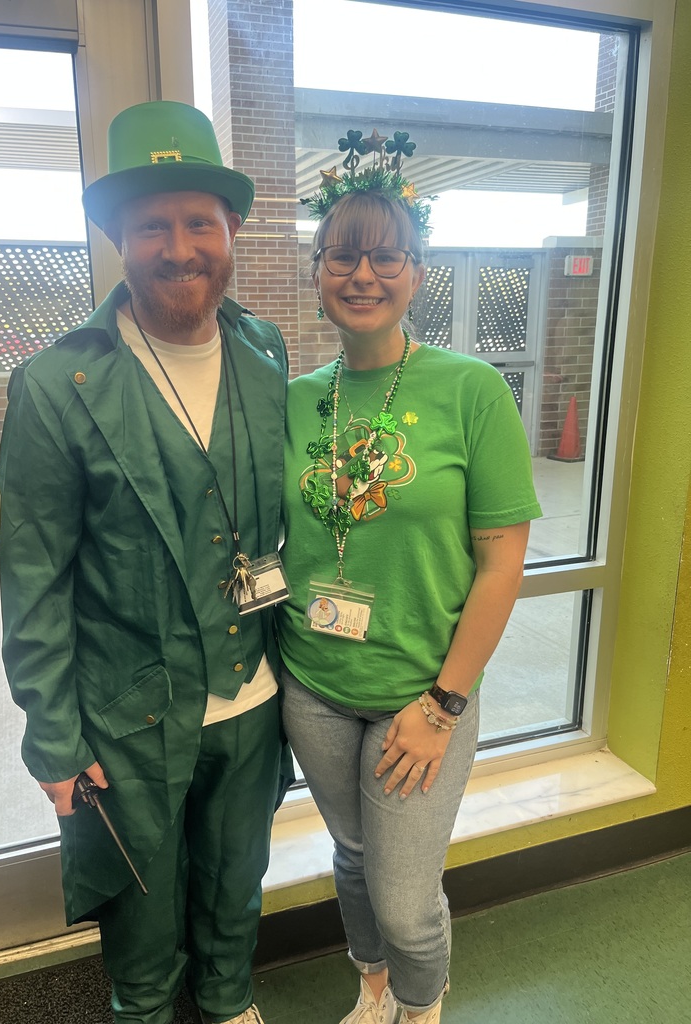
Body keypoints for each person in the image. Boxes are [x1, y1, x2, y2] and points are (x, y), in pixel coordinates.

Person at [0, 100, 292, 1024]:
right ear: (120, 238)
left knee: (233, 894)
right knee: (142, 926)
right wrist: (53, 737)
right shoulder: (56, 384)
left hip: (253, 700)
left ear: (230, 228)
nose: (179, 248)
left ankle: (233, 1002)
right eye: (152, 226)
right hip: (129, 719)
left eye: (198, 222)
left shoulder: (264, 350)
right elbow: (34, 580)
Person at [277, 132, 542, 1024]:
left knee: (402, 894)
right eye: (341, 255)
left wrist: (441, 707)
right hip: (312, 681)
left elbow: (503, 563)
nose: (362, 273)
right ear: (318, 273)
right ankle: (373, 985)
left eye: (384, 255)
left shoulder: (472, 391)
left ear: (416, 273)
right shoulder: (296, 397)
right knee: (350, 853)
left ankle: (421, 1004)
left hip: (420, 694)